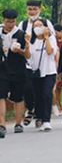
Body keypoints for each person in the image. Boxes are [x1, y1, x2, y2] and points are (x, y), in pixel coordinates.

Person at [17, 0, 54, 126]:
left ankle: (39, 115)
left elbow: (52, 41)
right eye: (29, 9)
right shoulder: (22, 25)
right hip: (27, 62)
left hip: (43, 63)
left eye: (34, 9)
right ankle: (30, 109)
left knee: (40, 90)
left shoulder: (46, 23)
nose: (32, 12)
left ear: (39, 9)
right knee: (27, 89)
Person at [0, 8, 30, 138]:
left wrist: (20, 50)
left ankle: (18, 123)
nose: (10, 24)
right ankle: (2, 124)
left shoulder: (21, 34)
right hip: (2, 69)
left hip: (18, 69)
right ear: (3, 21)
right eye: (8, 22)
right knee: (1, 95)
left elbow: (27, 55)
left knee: (18, 96)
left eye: (12, 22)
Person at [27, 18, 57, 131]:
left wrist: (46, 37)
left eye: (40, 25)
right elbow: (28, 56)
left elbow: (50, 52)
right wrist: (25, 44)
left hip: (49, 71)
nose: (38, 28)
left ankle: (46, 120)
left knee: (47, 94)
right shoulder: (31, 41)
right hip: (36, 72)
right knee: (38, 95)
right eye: (35, 26)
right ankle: (39, 117)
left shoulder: (51, 39)